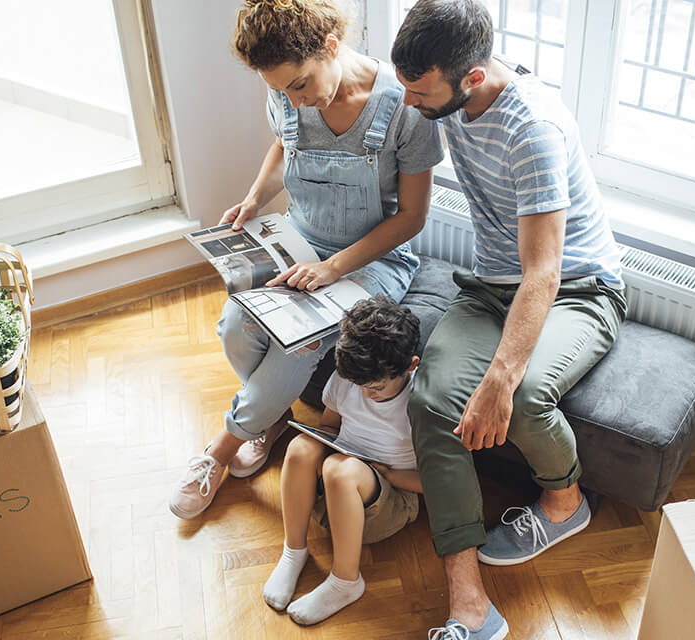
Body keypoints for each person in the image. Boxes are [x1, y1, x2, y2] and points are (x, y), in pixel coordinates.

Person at [391, 1, 627, 638]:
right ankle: (467, 605)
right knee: (434, 401)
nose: (409, 104)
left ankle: (566, 502)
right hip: (492, 285)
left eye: (420, 93)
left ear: (471, 78)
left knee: (519, 398)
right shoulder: (446, 90)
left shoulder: (533, 130)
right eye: (404, 88)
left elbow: (544, 273)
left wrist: (498, 379)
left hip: (578, 289)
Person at [169, 0, 443, 519]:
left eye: (298, 85)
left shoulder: (404, 109)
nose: (293, 100)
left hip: (373, 260)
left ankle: (219, 452)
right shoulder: (284, 94)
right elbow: (282, 144)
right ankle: (268, 422)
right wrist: (254, 199)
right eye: (278, 89)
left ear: (332, 47)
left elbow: (411, 218)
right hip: (299, 242)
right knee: (235, 326)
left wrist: (334, 268)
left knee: (300, 340)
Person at [264, 295, 423, 625]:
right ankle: (294, 551)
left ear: (410, 366)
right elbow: (329, 426)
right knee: (301, 446)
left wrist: (390, 475)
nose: (366, 393)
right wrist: (324, 443)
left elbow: (440, 482)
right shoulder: (349, 377)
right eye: (358, 385)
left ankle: (346, 580)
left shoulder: (421, 401)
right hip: (337, 486)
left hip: (390, 499)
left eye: (376, 388)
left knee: (341, 471)